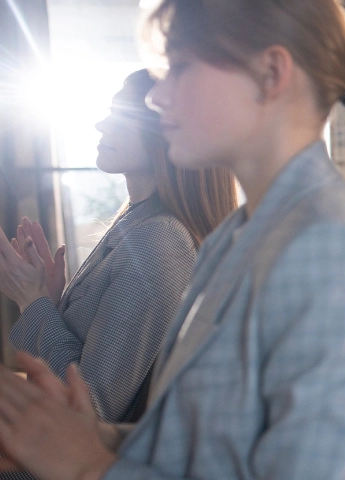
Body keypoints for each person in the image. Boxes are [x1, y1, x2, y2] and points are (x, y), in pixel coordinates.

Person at [0, 0, 345, 478]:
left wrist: (90, 466)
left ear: (270, 73)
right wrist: (90, 435)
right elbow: (202, 444)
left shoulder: (334, 247)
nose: (156, 98)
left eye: (180, 68)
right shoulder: (239, 234)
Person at [0, 69, 237, 426]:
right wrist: (49, 303)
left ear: (170, 131)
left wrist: (31, 302)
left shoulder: (159, 241)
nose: (101, 125)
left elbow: (91, 408)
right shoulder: (137, 223)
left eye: (121, 113)